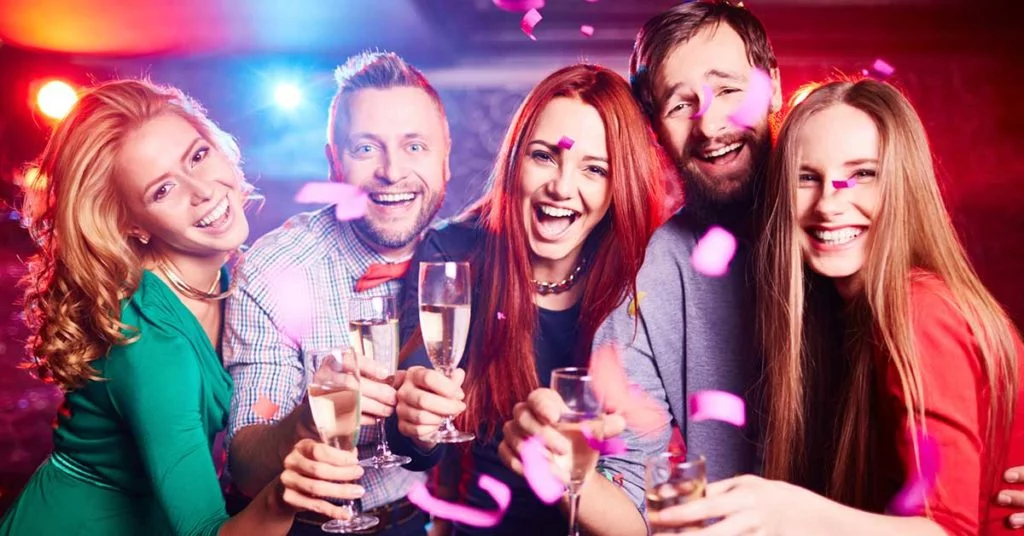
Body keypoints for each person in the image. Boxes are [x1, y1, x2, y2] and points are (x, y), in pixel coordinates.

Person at [651, 78, 1024, 535]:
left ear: (903, 185)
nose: (829, 204)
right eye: (807, 178)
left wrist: (787, 513)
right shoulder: (839, 318)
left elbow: (948, 531)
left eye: (862, 174)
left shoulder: (921, 309)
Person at [0, 79, 363, 536]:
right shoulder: (152, 342)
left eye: (197, 156)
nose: (203, 191)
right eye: (162, 190)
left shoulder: (231, 281)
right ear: (133, 225)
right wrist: (284, 494)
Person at [393, 63, 670, 535]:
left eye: (594, 169)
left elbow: (638, 514)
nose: (562, 187)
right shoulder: (455, 252)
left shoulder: (642, 282)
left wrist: (559, 464)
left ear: (618, 185)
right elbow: (418, 449)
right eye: (544, 156)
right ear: (515, 159)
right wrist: (415, 420)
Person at [223, 51, 448, 535]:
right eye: (366, 148)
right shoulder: (276, 268)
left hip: (418, 520)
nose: (391, 171)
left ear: (444, 156)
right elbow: (245, 463)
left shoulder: (465, 257)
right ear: (333, 163)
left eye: (415, 147)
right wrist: (311, 419)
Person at [594, 0, 780, 483]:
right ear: (656, 127)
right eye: (681, 104)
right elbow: (629, 474)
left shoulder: (840, 224)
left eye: (729, 90)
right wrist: (565, 467)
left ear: (771, 88)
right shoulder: (655, 270)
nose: (711, 124)